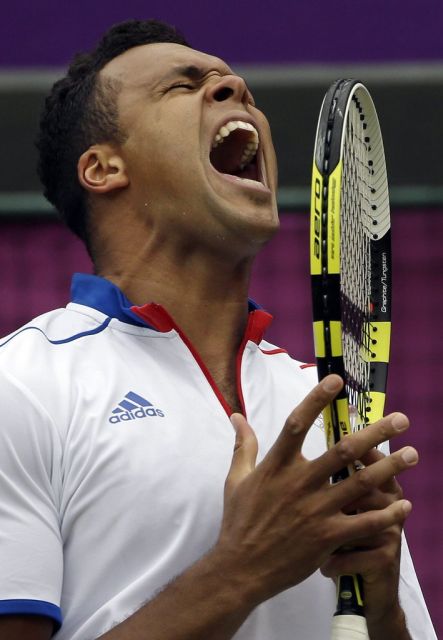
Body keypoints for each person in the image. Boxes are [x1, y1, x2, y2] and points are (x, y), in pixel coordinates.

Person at [0, 19, 436, 640]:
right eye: (183, 86)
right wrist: (244, 569)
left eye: (235, 85)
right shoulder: (19, 386)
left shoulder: (336, 408)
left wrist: (384, 606)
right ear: (102, 168)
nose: (234, 86)